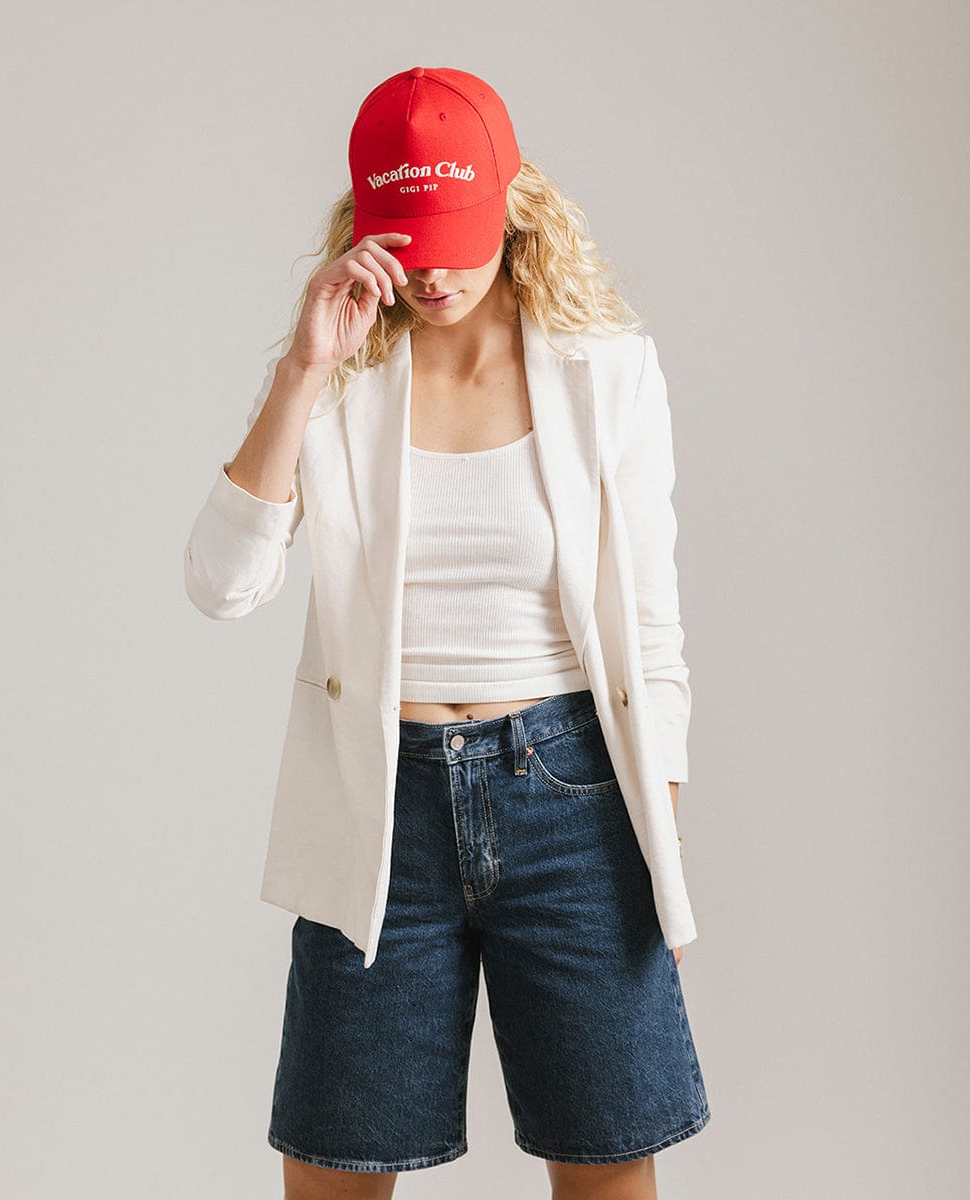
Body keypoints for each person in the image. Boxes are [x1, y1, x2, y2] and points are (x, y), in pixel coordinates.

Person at [184, 66, 710, 1200]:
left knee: (606, 1167)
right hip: (380, 805)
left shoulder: (606, 369)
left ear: (512, 204)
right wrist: (301, 369)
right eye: (408, 244)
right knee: (337, 1166)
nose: (431, 274)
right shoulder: (342, 377)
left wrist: (658, 853)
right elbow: (223, 585)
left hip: (573, 802)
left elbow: (652, 635)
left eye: (455, 240)